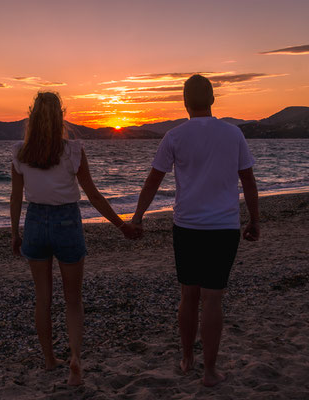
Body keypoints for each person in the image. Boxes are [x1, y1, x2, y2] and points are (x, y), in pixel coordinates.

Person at [131, 74, 259, 387]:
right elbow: (248, 180)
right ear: (212, 99)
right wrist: (255, 221)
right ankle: (210, 372)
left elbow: (153, 181)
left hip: (187, 226)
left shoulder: (174, 136)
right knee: (213, 299)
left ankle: (188, 358)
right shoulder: (233, 134)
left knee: (188, 295)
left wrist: (136, 217)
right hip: (223, 227)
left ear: (185, 102)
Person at [10, 92, 140, 386]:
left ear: (31, 115)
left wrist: (15, 232)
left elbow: (16, 196)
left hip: (34, 223)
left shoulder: (20, 151)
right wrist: (121, 225)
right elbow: (93, 195)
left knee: (43, 297)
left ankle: (48, 359)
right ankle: (75, 360)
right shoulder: (73, 150)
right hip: (67, 221)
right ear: (61, 116)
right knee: (73, 299)